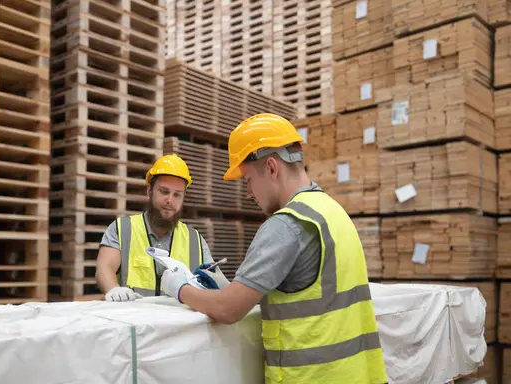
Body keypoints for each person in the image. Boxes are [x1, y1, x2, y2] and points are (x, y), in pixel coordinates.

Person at [160, 114, 388, 383]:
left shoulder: (286, 225)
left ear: (271, 167)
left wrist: (180, 288)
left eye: (247, 180)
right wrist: (240, 285)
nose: (249, 192)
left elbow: (228, 310)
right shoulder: (333, 212)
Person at [95, 154, 221, 302]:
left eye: (177, 195)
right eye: (164, 191)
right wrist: (113, 289)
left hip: (179, 324)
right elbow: (105, 267)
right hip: (133, 319)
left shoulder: (195, 240)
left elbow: (213, 283)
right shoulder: (123, 228)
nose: (170, 200)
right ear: (149, 191)